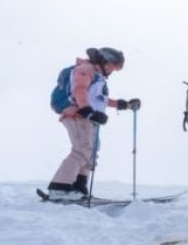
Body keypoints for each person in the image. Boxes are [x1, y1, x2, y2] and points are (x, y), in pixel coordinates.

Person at [47, 47, 140, 200]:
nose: (111, 70)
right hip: (77, 115)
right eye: (110, 65)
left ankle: (79, 188)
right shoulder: (85, 70)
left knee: (90, 152)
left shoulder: (97, 76)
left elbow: (99, 100)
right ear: (102, 61)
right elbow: (79, 89)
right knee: (82, 150)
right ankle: (59, 188)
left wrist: (124, 105)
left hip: (87, 117)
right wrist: (87, 111)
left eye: (114, 67)